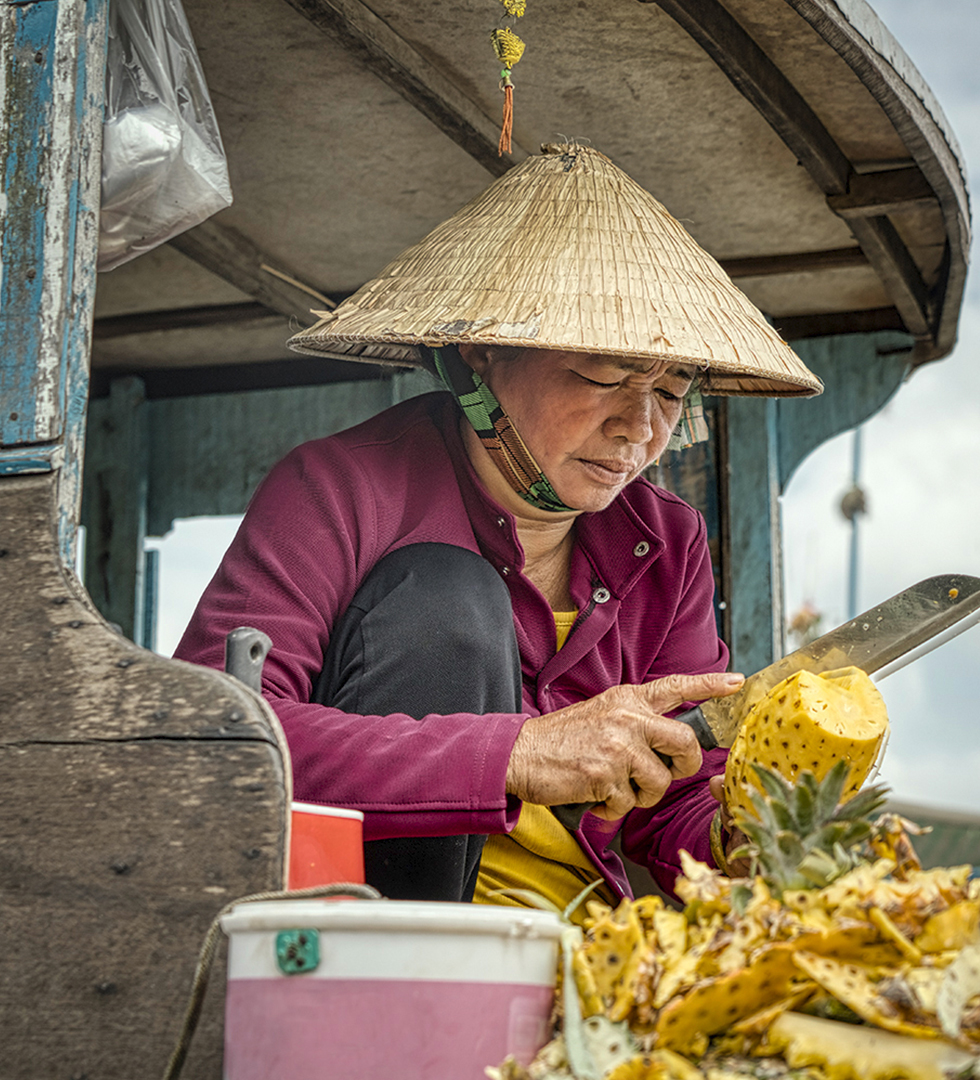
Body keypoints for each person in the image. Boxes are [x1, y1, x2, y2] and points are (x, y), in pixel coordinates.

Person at [174, 144, 821, 912]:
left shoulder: (668, 542)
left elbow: (674, 787)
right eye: (603, 377)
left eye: (672, 393)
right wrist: (515, 753)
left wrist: (745, 838)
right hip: (376, 938)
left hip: (590, 947)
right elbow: (211, 738)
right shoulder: (337, 490)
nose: (639, 430)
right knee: (445, 594)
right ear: (479, 356)